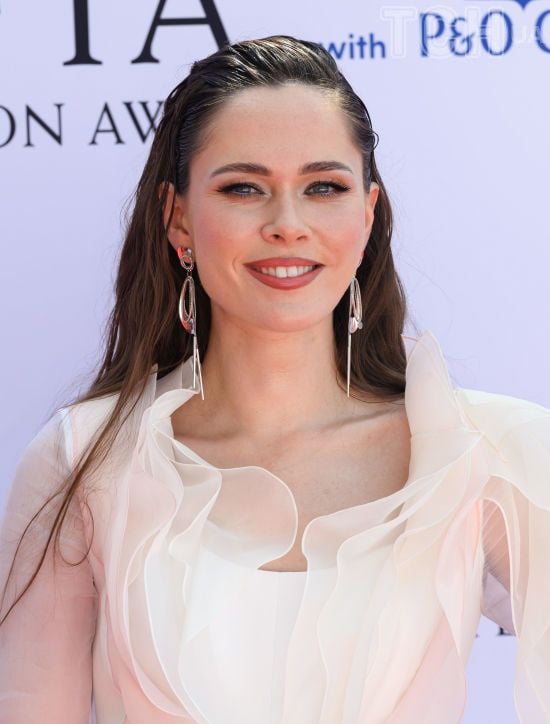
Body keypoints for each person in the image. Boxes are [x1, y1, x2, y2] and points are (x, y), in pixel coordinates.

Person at [0, 34, 548, 724]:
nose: (288, 225)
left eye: (323, 188)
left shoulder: (482, 449)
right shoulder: (85, 461)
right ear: (179, 219)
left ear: (366, 213)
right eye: (243, 188)